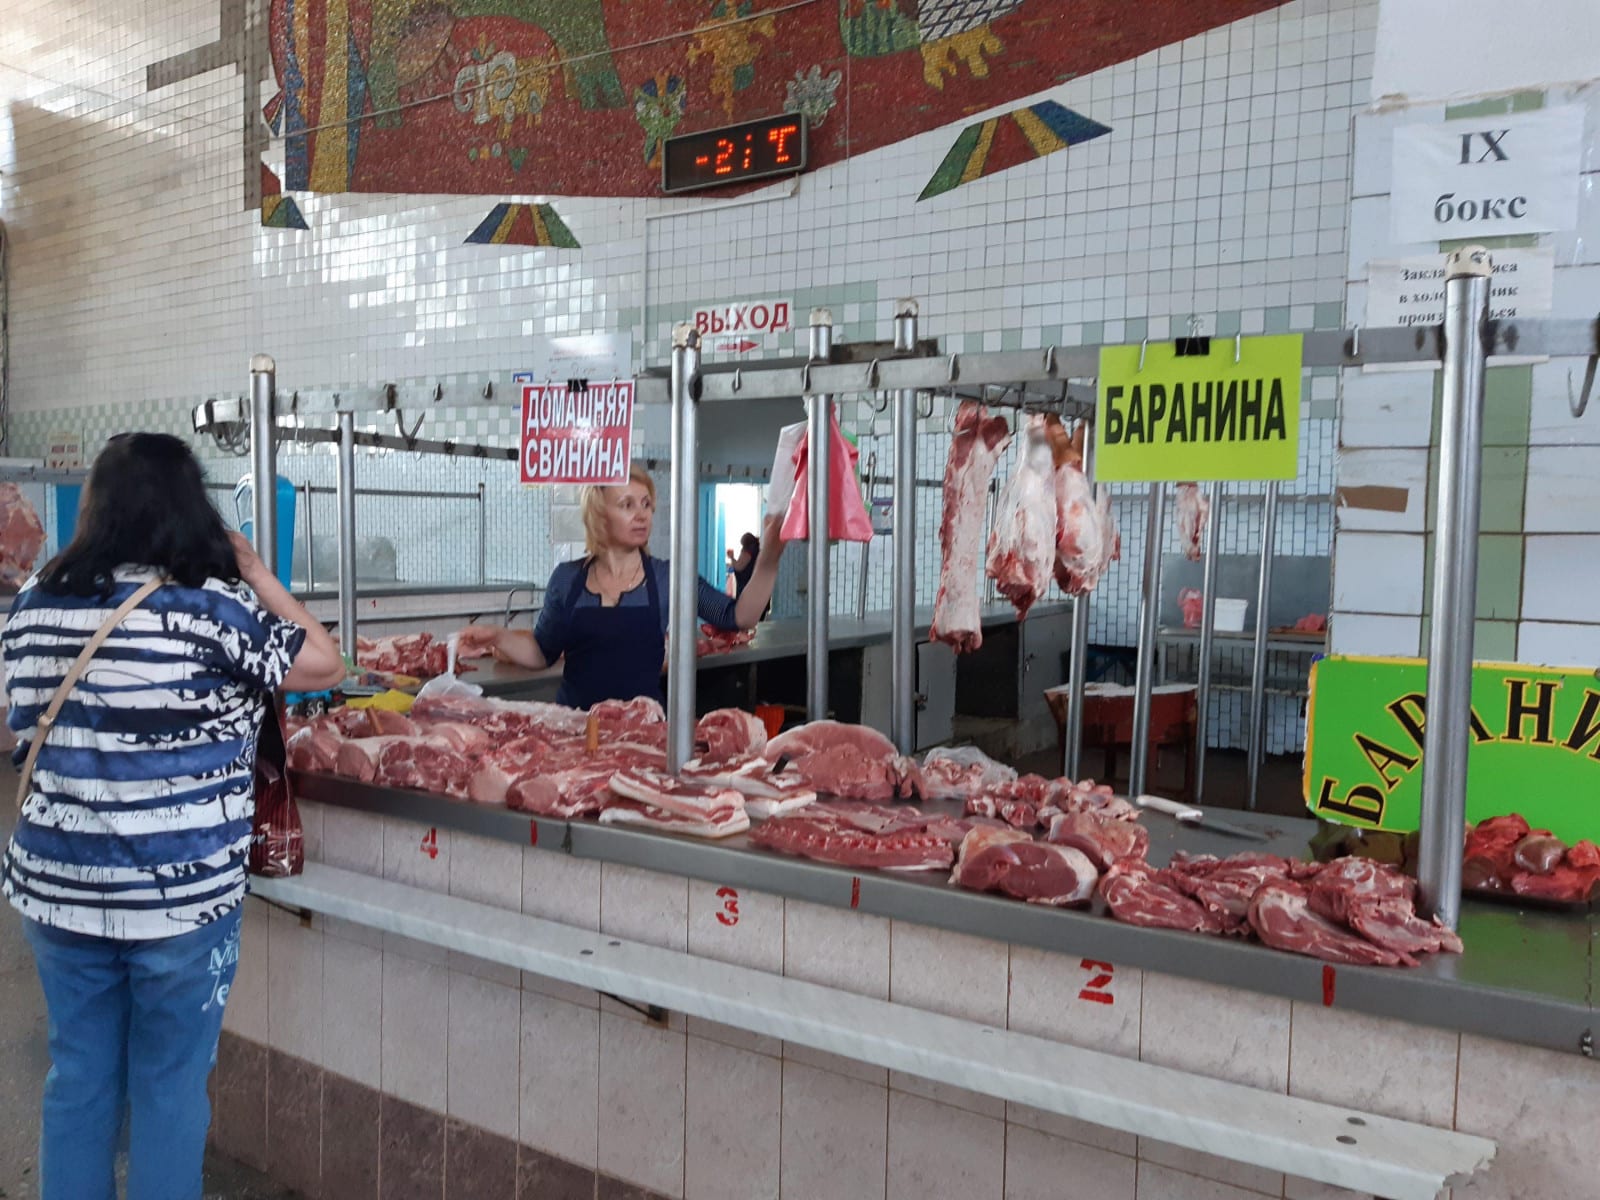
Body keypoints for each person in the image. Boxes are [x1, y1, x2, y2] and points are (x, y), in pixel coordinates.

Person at [1, 433, 344, 1200]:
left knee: (80, 1078)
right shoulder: (211, 610)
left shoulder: (34, 607)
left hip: (57, 894)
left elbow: (17, 725)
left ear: (96, 510)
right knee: (167, 1090)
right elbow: (327, 663)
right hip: (177, 902)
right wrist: (255, 570)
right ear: (195, 511)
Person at [459, 465, 785, 707]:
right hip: (575, 732)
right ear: (600, 514)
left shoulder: (667, 578)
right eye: (627, 505)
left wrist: (769, 558)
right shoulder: (567, 579)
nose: (641, 515)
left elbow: (739, 616)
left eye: (645, 504)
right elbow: (542, 652)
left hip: (641, 734)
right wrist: (498, 636)